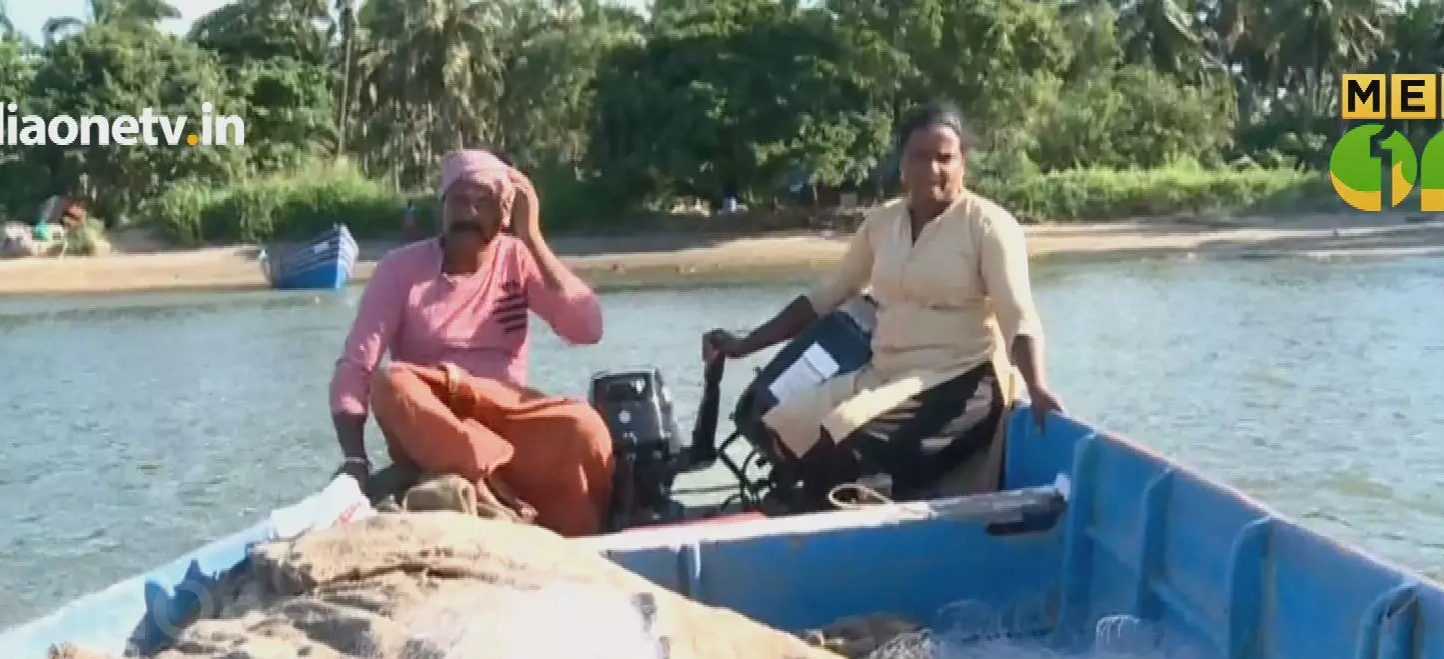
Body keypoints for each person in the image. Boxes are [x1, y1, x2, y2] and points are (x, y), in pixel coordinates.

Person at [701, 102, 1062, 511]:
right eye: (920, 156)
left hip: (961, 378)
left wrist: (1037, 385)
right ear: (901, 163)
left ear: (964, 163)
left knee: (848, 438)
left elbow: (1019, 316)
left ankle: (855, 532)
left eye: (945, 158)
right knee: (779, 423)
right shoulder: (881, 224)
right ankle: (812, 523)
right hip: (885, 374)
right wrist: (745, 345)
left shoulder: (989, 226)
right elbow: (826, 295)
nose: (932, 169)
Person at [330, 149, 612, 537]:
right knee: (391, 383)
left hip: (505, 413)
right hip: (436, 418)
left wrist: (532, 238)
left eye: (484, 202)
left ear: (505, 212)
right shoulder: (400, 269)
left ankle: (505, 483)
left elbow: (588, 328)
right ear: (441, 207)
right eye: (460, 200)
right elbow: (356, 367)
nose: (470, 213)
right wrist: (355, 458)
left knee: (586, 426)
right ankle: (489, 478)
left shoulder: (518, 258)